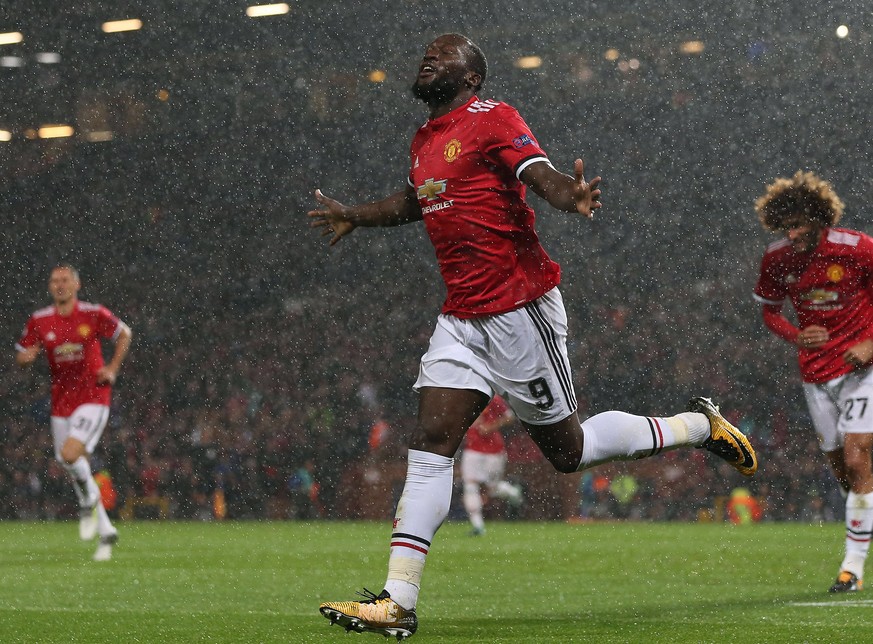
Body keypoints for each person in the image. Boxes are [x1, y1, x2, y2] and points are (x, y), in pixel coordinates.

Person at [312, 33, 757, 640]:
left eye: (445, 52)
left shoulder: (494, 117)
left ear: (472, 76)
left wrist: (567, 195)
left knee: (567, 453)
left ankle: (697, 427)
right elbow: (421, 201)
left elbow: (538, 172)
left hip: (521, 308)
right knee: (432, 440)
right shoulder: (424, 139)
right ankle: (397, 600)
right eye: (427, 51)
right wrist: (354, 216)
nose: (429, 56)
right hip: (462, 317)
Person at [753, 170, 873, 593]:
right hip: (816, 374)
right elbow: (769, 311)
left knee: (859, 461)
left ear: (821, 218)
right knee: (844, 471)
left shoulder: (858, 248)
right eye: (787, 225)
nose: (794, 232)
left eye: (801, 223)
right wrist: (795, 334)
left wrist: (870, 343)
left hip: (863, 371)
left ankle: (852, 569)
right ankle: (866, 514)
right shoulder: (777, 257)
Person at [15, 264, 132, 562]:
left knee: (70, 454)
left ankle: (85, 503)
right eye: (55, 280)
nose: (59, 285)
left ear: (77, 285)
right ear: (50, 286)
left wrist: (112, 369)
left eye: (65, 280)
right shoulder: (40, 320)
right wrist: (26, 358)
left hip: (93, 395)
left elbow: (124, 334)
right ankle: (105, 527)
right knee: (68, 460)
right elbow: (23, 351)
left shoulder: (93, 314)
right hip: (61, 402)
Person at [459, 395, 522, 536]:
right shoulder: (463, 395)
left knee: (492, 489)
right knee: (470, 486)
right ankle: (478, 526)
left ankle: (513, 493)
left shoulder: (492, 398)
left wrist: (491, 426)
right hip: (472, 449)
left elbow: (510, 417)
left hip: (494, 450)